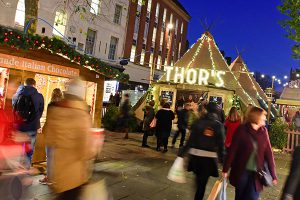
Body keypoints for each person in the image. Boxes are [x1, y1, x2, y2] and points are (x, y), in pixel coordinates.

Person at [43, 78, 95, 200]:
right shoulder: (82, 115)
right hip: (75, 170)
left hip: (59, 166)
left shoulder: (55, 110)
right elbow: (86, 149)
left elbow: (48, 137)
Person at [222, 106, 278, 200]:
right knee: (240, 196)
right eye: (263, 118)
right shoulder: (241, 130)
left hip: (257, 174)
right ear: (256, 118)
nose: (265, 120)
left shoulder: (264, 132)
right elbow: (233, 151)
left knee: (252, 197)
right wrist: (225, 169)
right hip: (241, 171)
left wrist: (273, 174)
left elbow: (269, 154)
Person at [178, 102, 225, 200]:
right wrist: (223, 160)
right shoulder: (218, 125)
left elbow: (190, 140)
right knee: (202, 184)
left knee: (198, 181)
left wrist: (182, 153)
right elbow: (221, 145)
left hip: (196, 157)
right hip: (209, 159)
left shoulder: (198, 122)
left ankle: (197, 196)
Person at [13, 78, 44, 166]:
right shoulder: (39, 96)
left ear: (25, 84)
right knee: (28, 151)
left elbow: (14, 109)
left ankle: (15, 172)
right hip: (32, 127)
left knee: (17, 150)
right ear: (34, 85)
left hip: (18, 126)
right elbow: (40, 112)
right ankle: (25, 171)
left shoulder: (16, 95)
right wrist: (33, 120)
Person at [39, 88, 63, 185]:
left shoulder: (51, 105)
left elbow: (49, 119)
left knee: (49, 157)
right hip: (60, 134)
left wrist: (44, 129)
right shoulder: (64, 106)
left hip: (52, 133)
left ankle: (50, 178)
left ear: (52, 95)